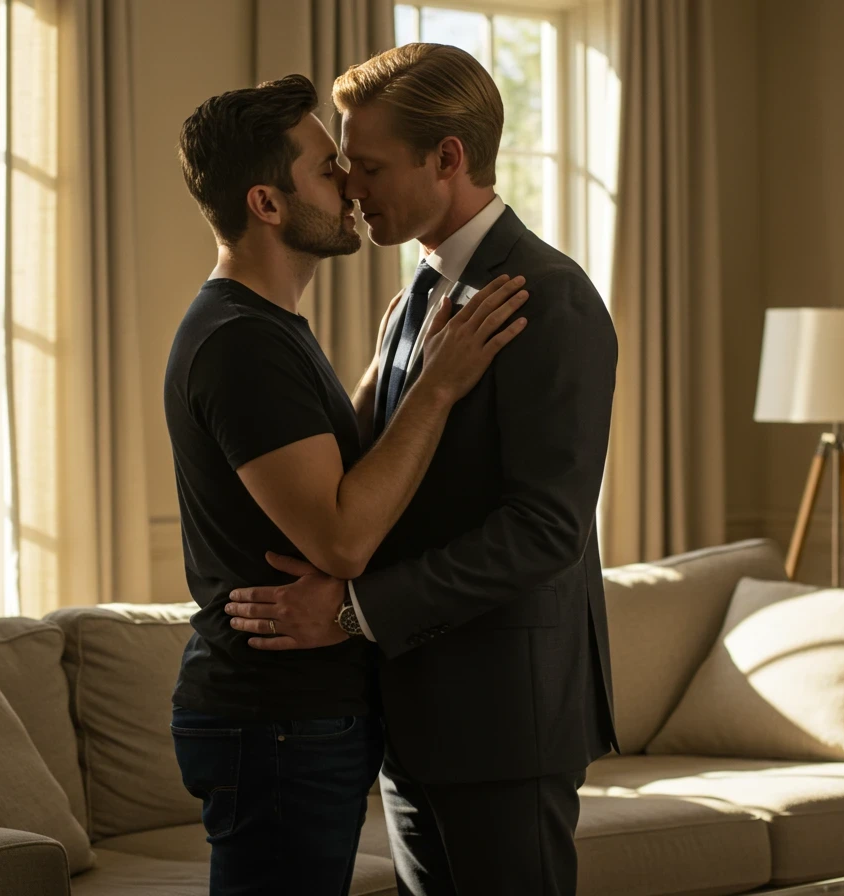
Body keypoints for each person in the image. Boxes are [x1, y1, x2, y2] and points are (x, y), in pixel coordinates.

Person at [223, 44, 621, 896]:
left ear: (447, 159)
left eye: (366, 166)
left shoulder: (550, 297)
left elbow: (546, 528)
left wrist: (356, 612)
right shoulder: (415, 298)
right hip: (412, 719)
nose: (349, 187)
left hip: (505, 724)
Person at [165, 72, 530, 896]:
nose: (351, 187)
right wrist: (434, 386)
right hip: (276, 721)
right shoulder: (241, 343)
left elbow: (331, 463)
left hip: (289, 719)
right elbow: (341, 537)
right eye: (328, 170)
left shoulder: (266, 331)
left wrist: (391, 358)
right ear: (267, 204)